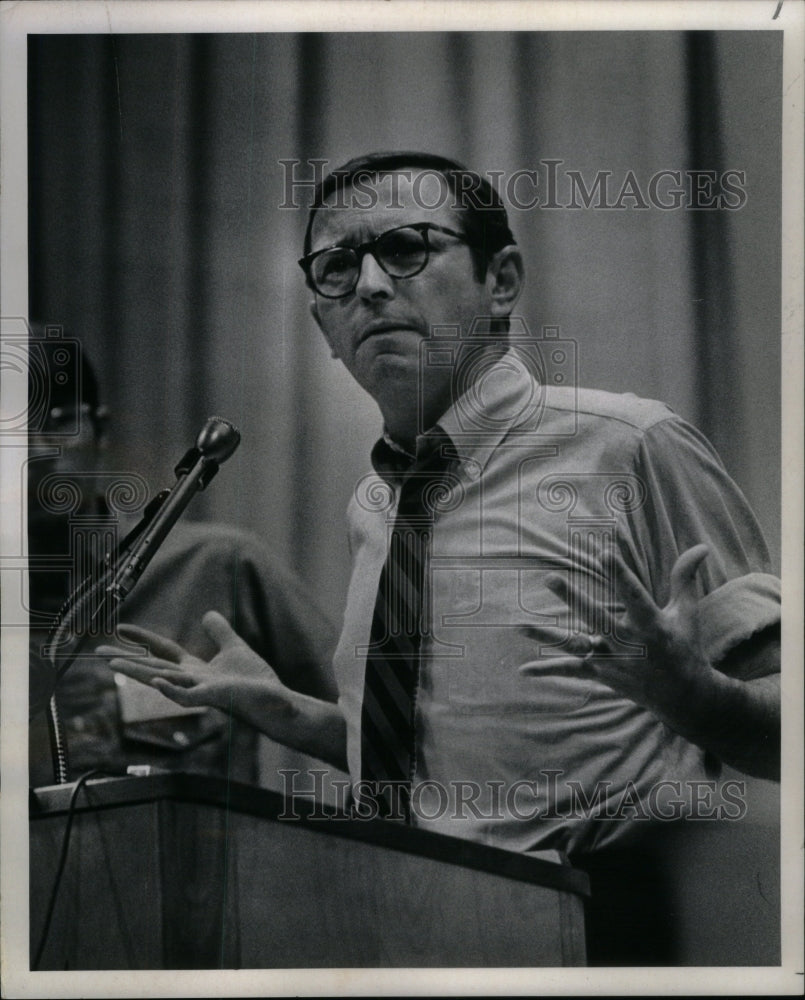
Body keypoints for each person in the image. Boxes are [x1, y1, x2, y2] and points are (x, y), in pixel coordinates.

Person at [102, 152, 780, 957]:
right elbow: (440, 769)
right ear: (322, 325)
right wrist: (290, 715)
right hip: (406, 930)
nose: (370, 286)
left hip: (597, 935)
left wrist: (695, 698)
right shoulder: (376, 503)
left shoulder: (631, 447)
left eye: (406, 248)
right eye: (337, 267)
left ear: (500, 280)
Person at [27, 337, 338, 786]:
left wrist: (287, 714)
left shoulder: (220, 566)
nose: (37, 450)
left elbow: (378, 737)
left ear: (101, 432)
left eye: (58, 422)